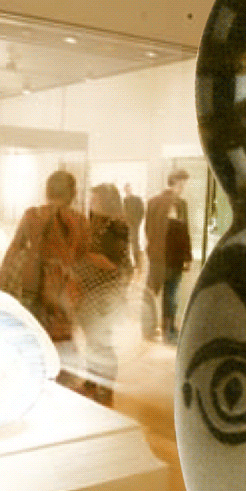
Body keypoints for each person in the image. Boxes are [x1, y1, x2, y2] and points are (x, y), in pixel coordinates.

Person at [0, 169, 88, 382]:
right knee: (62, 341)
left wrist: (1, 284)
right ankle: (62, 384)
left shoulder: (33, 215)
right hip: (63, 288)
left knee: (31, 335)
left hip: (32, 283)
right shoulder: (79, 220)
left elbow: (14, 250)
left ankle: (31, 380)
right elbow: (83, 259)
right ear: (73, 193)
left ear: (47, 191)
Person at [73, 183, 133, 405]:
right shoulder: (96, 223)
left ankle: (105, 390)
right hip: (90, 292)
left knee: (102, 343)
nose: (90, 203)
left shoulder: (116, 226)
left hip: (104, 294)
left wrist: (84, 254)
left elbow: (112, 263)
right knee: (92, 341)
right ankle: (92, 383)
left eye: (95, 200)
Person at [142, 168, 191, 342]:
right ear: (178, 182)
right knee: (171, 294)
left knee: (150, 291)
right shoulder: (179, 203)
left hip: (156, 256)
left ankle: (147, 330)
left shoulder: (153, 202)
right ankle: (168, 331)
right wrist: (187, 257)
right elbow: (183, 233)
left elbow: (147, 229)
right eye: (184, 182)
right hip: (173, 257)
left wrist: (153, 248)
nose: (184, 186)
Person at [122, 181, 145, 276]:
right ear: (124, 190)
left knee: (135, 244)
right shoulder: (123, 201)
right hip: (125, 225)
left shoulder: (137, 200)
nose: (128, 190)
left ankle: (138, 264)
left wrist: (136, 223)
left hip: (134, 225)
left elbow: (141, 212)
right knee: (125, 243)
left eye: (129, 188)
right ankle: (127, 264)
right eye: (126, 188)